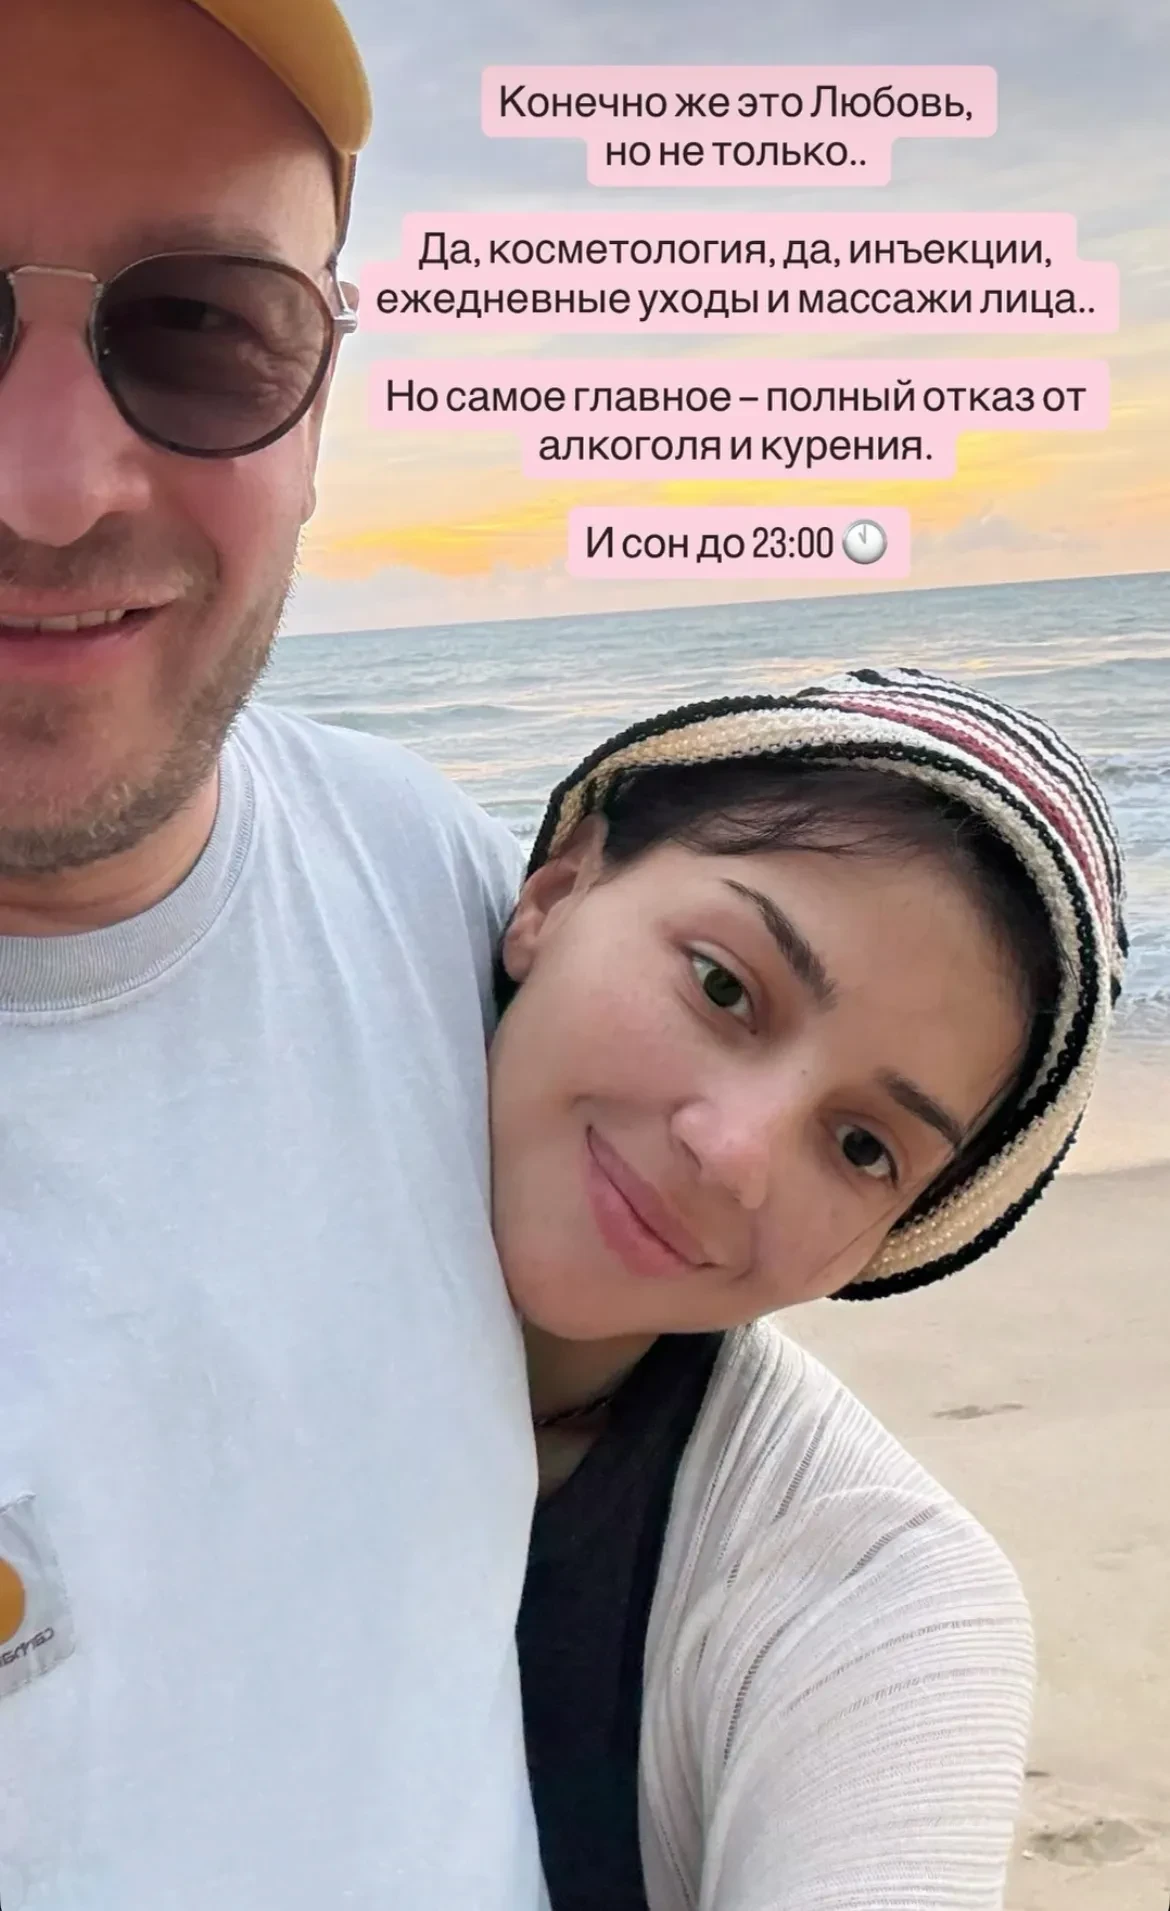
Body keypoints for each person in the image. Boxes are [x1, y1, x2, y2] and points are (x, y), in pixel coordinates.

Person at [0, 4, 547, 1906]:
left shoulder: (424, 876)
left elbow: (739, 1444)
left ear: (315, 415)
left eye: (203, 329)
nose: (53, 486)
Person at [488, 668, 1127, 1911]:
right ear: (557, 893)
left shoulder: (870, 1595)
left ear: (889, 1235)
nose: (735, 1155)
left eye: (863, 1148)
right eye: (723, 986)